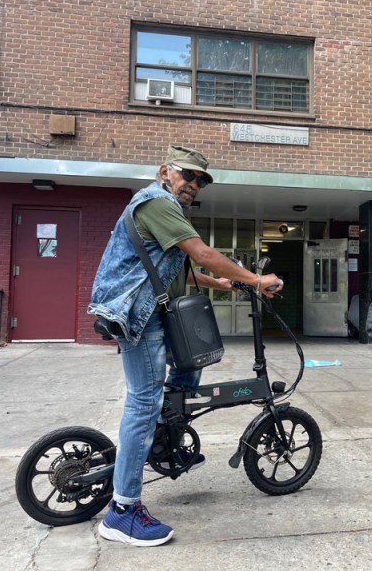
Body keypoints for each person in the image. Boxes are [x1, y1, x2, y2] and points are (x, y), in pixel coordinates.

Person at [88, 145, 284, 546]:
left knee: (188, 370)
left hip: (156, 315)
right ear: (165, 171)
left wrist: (225, 283)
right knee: (143, 402)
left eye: (200, 181)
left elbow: (181, 271)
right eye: (188, 176)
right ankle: (122, 511)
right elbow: (203, 253)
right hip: (138, 320)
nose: (194, 185)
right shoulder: (157, 202)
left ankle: (166, 443)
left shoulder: (166, 209)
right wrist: (255, 279)